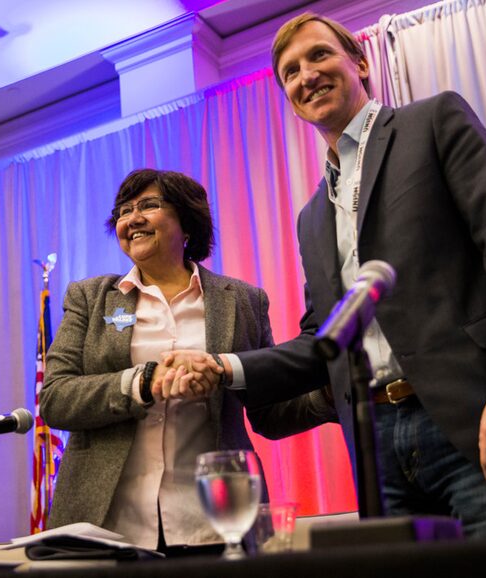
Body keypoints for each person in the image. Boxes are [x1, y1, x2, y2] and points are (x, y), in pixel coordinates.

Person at [167, 13, 486, 537]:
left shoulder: (434, 122)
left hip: (480, 420)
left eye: (320, 55)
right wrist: (222, 366)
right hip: (380, 451)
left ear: (360, 62)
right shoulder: (311, 217)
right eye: (290, 72)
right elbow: (323, 342)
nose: (306, 75)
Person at [39, 168, 334, 553]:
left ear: (187, 222)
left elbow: (271, 412)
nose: (133, 219)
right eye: (124, 211)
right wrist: (143, 382)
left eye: (149, 205)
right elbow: (56, 399)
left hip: (213, 524)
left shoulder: (243, 301)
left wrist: (333, 393)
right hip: (108, 528)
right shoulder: (90, 299)